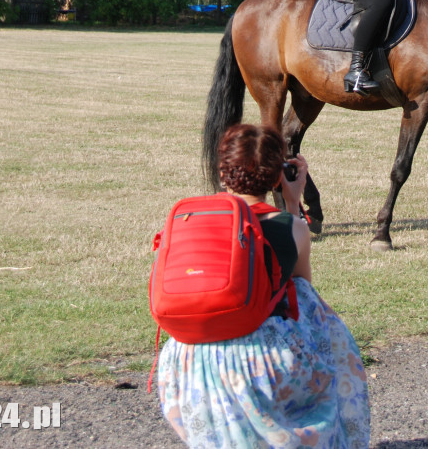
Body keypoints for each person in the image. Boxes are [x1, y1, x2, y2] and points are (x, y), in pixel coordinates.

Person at [157, 124, 370, 448]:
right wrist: (293, 202)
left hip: (187, 359)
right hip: (262, 361)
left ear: (222, 172)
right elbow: (300, 293)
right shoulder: (293, 227)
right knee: (308, 299)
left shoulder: (189, 219)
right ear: (276, 177)